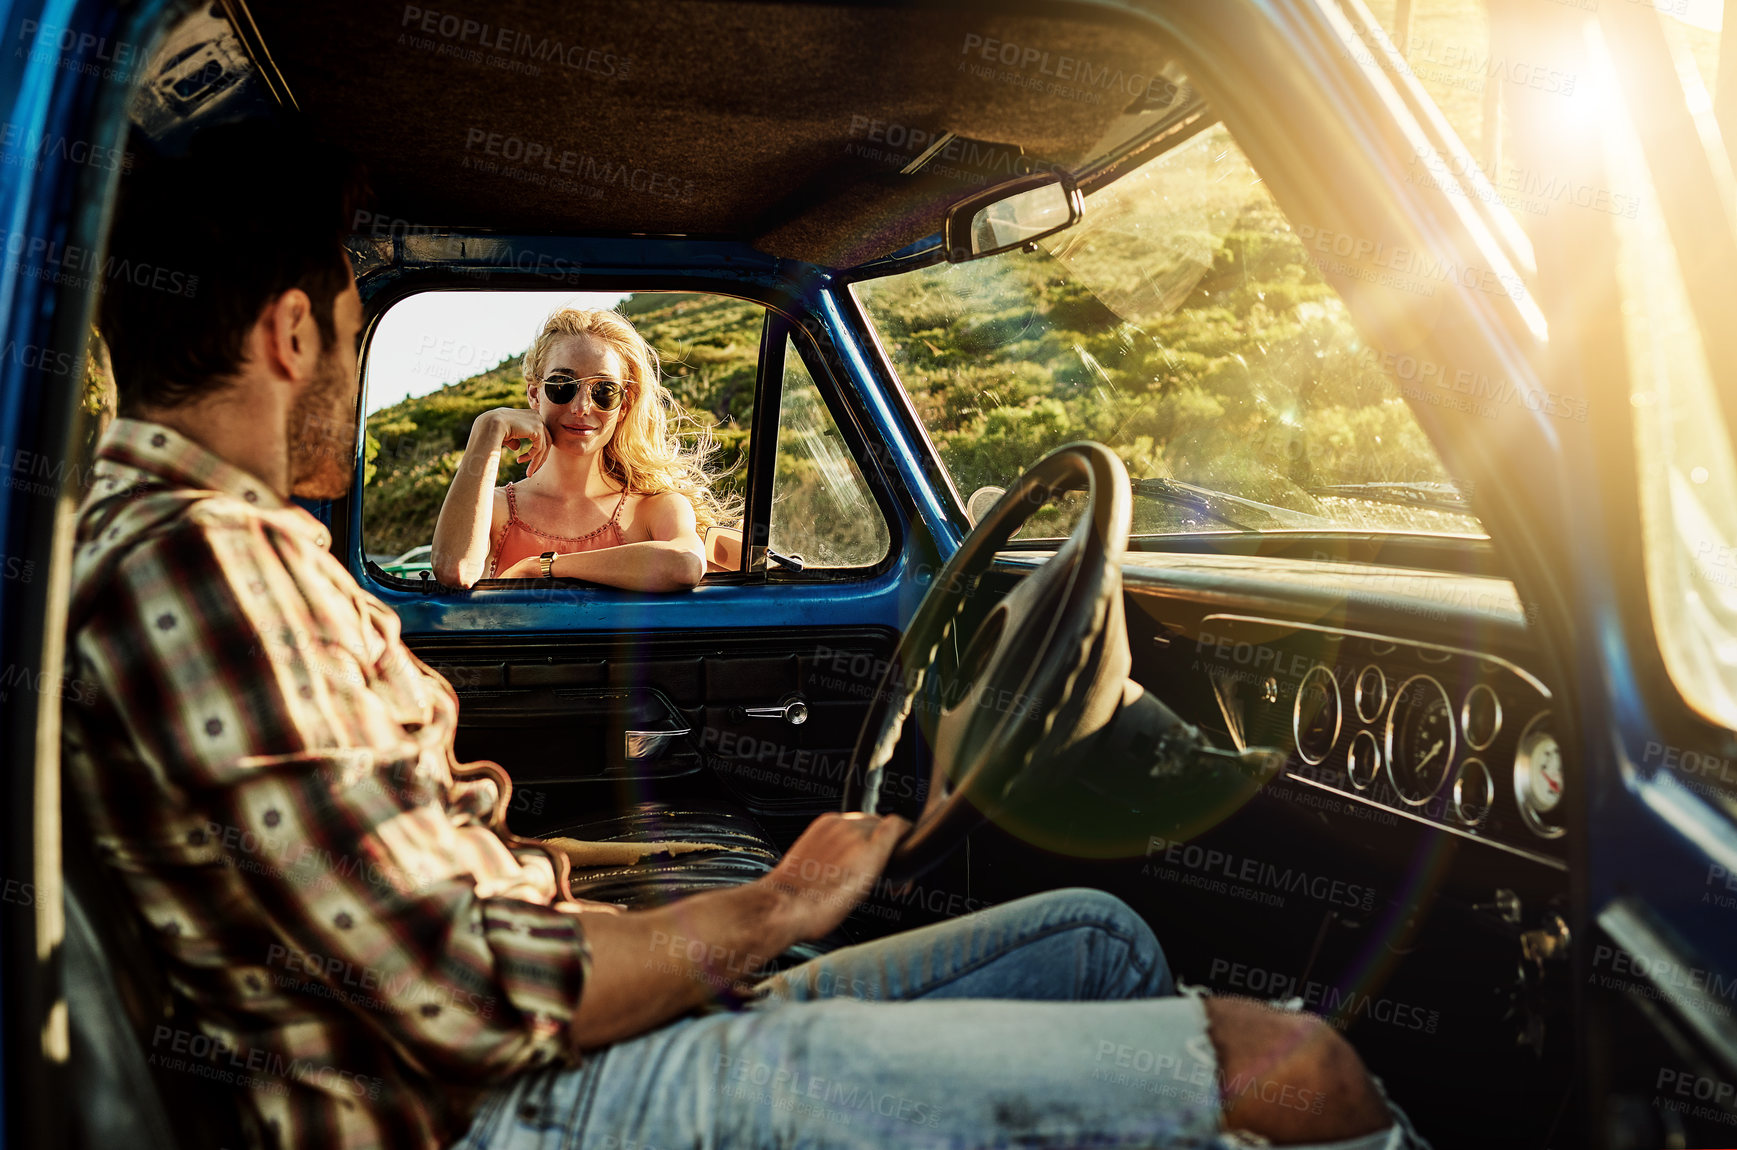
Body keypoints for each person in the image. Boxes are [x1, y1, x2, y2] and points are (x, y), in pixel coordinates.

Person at [64, 118, 1427, 1150]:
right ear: (292, 332)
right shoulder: (199, 560)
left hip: (538, 1051)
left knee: (1096, 937)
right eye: (357, 333)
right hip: (517, 1109)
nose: (355, 369)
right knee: (1291, 1065)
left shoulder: (191, 539)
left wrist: (665, 919)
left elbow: (412, 901)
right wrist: (771, 905)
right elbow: (458, 987)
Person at [430, 307, 735, 591]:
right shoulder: (494, 509)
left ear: (624, 403)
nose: (581, 407)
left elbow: (684, 564)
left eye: (604, 390)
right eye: (563, 384)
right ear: (535, 394)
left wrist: (542, 567)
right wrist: (487, 428)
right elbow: (453, 570)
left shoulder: (654, 509)